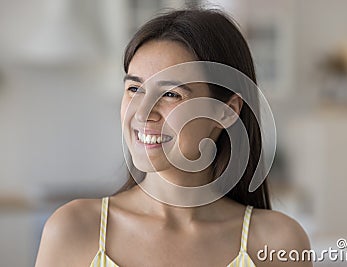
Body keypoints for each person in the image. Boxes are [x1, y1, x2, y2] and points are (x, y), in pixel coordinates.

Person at [35, 8, 312, 267]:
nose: (142, 112)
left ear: (227, 111)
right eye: (134, 89)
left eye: (171, 94)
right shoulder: (74, 230)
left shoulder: (278, 242)